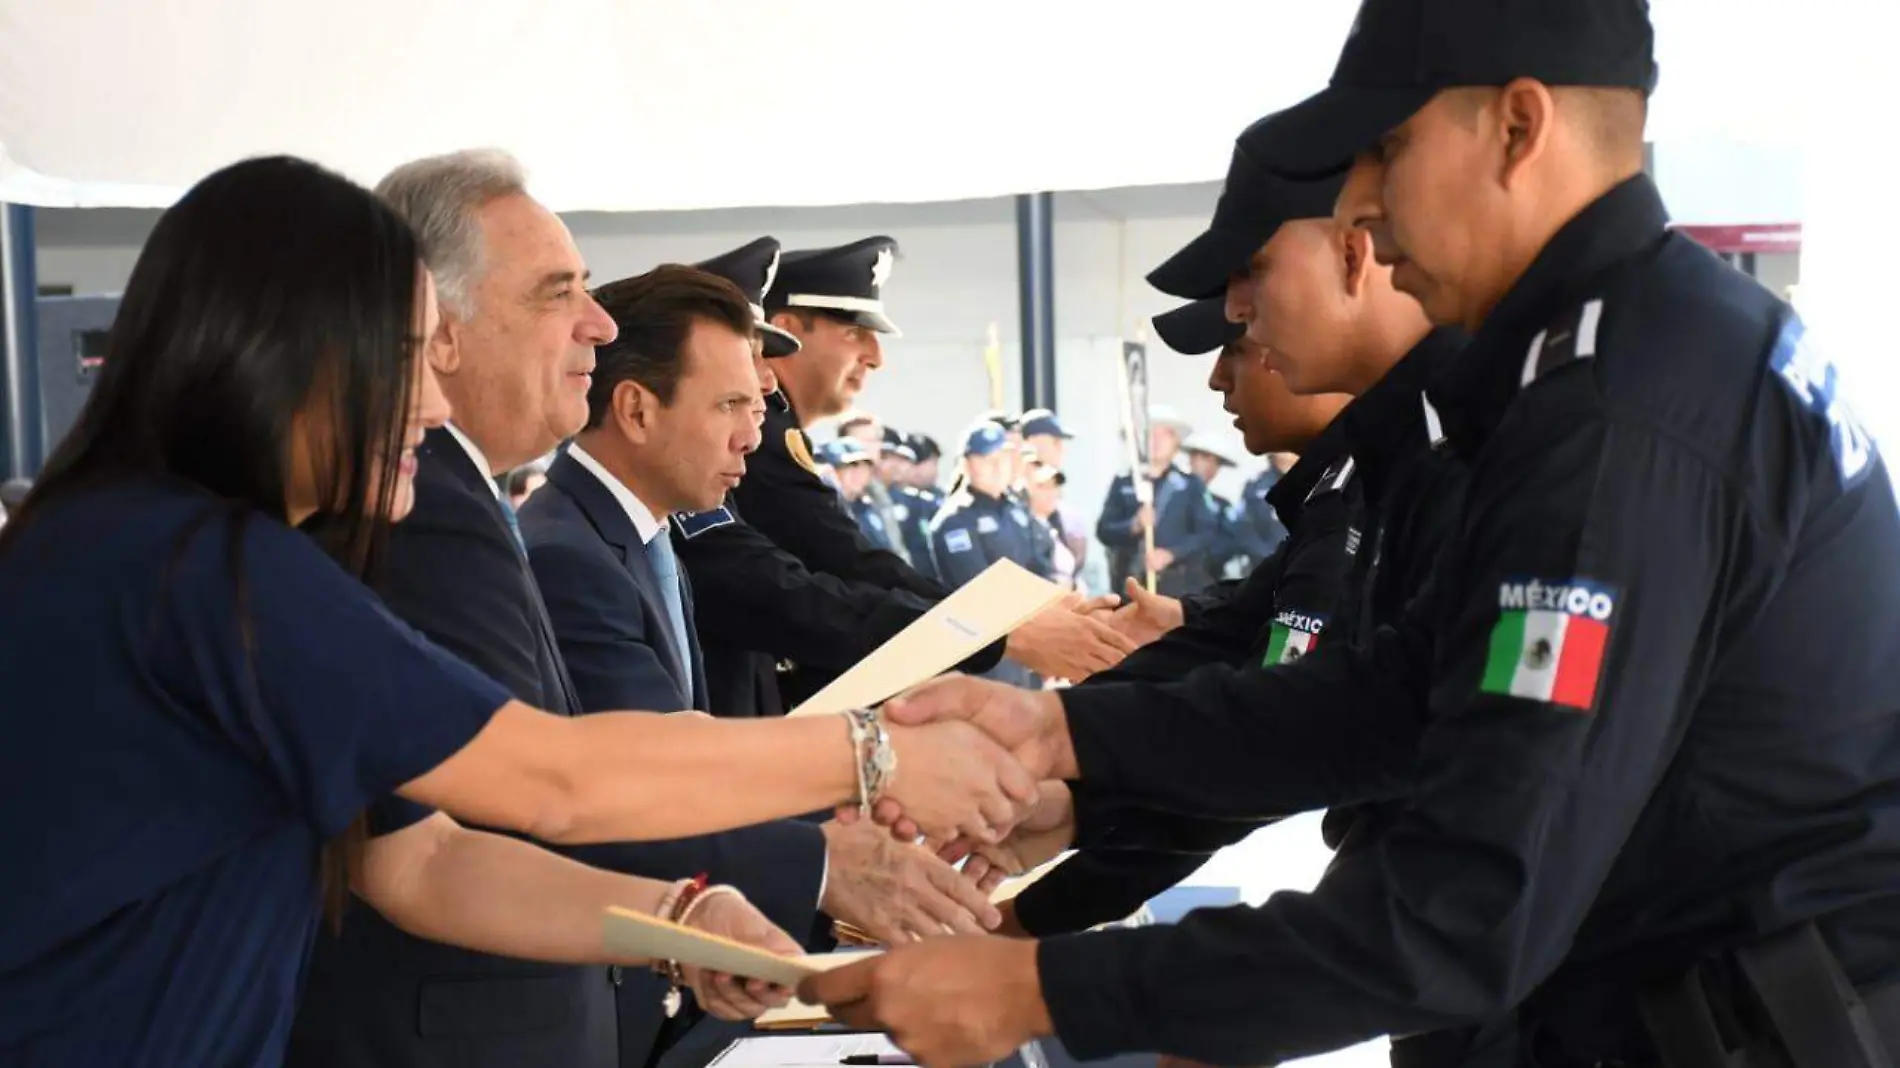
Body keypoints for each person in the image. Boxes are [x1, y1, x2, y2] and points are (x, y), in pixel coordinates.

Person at [804, 2, 1900, 1066]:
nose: (1363, 206)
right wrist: (1071, 740)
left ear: (1518, 128)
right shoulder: (1618, 357)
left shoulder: (1622, 410)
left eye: (1389, 148)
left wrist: (1043, 988)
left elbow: (1466, 909)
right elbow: (1402, 692)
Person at [0, 156, 1032, 1068]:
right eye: (409, 354)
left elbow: (422, 862)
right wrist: (872, 755)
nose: (435, 404)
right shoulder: (203, 569)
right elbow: (550, 778)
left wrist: (673, 919)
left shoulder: (154, 541)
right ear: (299, 353)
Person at [516, 265, 1000, 1064]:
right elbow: (655, 783)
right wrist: (828, 853)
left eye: (759, 407)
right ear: (636, 408)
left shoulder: (642, 536)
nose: (752, 435)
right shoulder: (572, 557)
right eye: (732, 406)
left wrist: (839, 813)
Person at [685, 236, 1134, 713]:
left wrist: (1007, 621)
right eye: (855, 331)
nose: (876, 356)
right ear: (789, 328)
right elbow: (817, 577)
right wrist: (995, 629)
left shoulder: (772, 438)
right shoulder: (764, 444)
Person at [1095, 406, 1220, 598]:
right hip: (1132, 589)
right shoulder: (1122, 483)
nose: (1156, 441)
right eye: (1150, 434)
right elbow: (1104, 531)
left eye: (1165, 435)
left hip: (1178, 591)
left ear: (1175, 443)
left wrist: (1171, 554)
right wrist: (1133, 526)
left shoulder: (1190, 485)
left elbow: (1206, 533)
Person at [822, 437, 898, 552]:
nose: (858, 474)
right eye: (849, 467)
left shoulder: (871, 507)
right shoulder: (825, 511)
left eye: (864, 467)